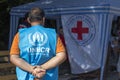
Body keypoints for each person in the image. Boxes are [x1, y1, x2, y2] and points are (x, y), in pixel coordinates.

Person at [10, 7, 66, 80]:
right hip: (48, 76)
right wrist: (42, 68)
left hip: (26, 77)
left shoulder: (20, 35)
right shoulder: (53, 35)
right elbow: (62, 56)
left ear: (28, 20)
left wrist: (32, 69)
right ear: (43, 19)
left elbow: (14, 57)